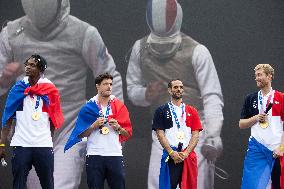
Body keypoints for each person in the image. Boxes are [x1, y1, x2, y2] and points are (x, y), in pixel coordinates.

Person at [0, 0, 123, 188]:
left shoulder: (83, 32)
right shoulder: (11, 33)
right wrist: (4, 79)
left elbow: (109, 75)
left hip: (70, 126)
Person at [126, 0, 224, 188]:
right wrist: (146, 94)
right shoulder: (139, 48)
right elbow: (132, 90)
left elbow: (212, 95)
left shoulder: (198, 51)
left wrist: (213, 134)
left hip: (195, 131)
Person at [0, 54, 64, 189]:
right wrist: (1, 144)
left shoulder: (50, 90)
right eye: (27, 64)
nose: (28, 67)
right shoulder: (18, 89)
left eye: (32, 65)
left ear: (41, 69)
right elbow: (8, 120)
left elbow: (53, 120)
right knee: (18, 185)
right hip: (21, 145)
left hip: (43, 145)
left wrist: (48, 140)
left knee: (48, 185)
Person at [64, 73, 132, 189]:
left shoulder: (119, 107)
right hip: (94, 155)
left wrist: (119, 128)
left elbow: (128, 134)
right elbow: (80, 134)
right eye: (105, 84)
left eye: (111, 84)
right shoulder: (88, 108)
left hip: (114, 155)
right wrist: (93, 126)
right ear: (98, 86)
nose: (109, 87)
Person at [239, 64, 284, 188]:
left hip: (277, 151)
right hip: (256, 149)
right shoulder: (250, 98)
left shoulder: (281, 98)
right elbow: (241, 124)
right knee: (251, 185)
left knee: (277, 185)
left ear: (269, 76)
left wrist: (281, 148)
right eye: (255, 75)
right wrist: (255, 118)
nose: (256, 78)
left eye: (260, 75)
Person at [152, 79, 202, 189]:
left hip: (187, 156)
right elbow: (160, 134)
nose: (179, 89)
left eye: (181, 87)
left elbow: (195, 134)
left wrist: (186, 153)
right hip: (171, 156)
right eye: (175, 87)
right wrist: (171, 152)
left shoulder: (192, 111)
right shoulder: (161, 110)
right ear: (169, 90)